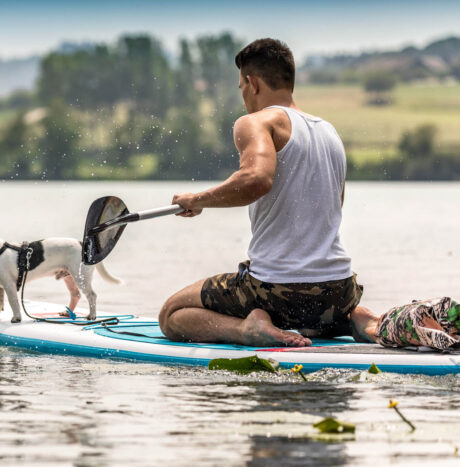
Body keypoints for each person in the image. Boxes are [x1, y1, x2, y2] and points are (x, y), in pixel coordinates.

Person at [158, 38, 379, 347]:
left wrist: (197, 200)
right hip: (338, 292)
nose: (243, 96)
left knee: (172, 313)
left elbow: (256, 179)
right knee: (311, 308)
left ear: (252, 83)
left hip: (277, 291)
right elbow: (334, 206)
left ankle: (248, 330)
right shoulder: (329, 132)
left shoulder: (255, 122)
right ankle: (353, 319)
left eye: (241, 88)